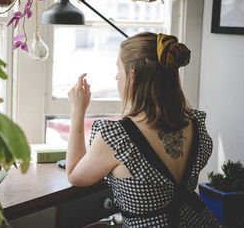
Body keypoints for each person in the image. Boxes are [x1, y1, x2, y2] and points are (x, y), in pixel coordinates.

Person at [66, 32, 218, 227]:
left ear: (132, 76)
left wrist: (77, 110)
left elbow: (74, 175)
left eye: (118, 68)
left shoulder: (119, 138)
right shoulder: (194, 123)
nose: (116, 76)